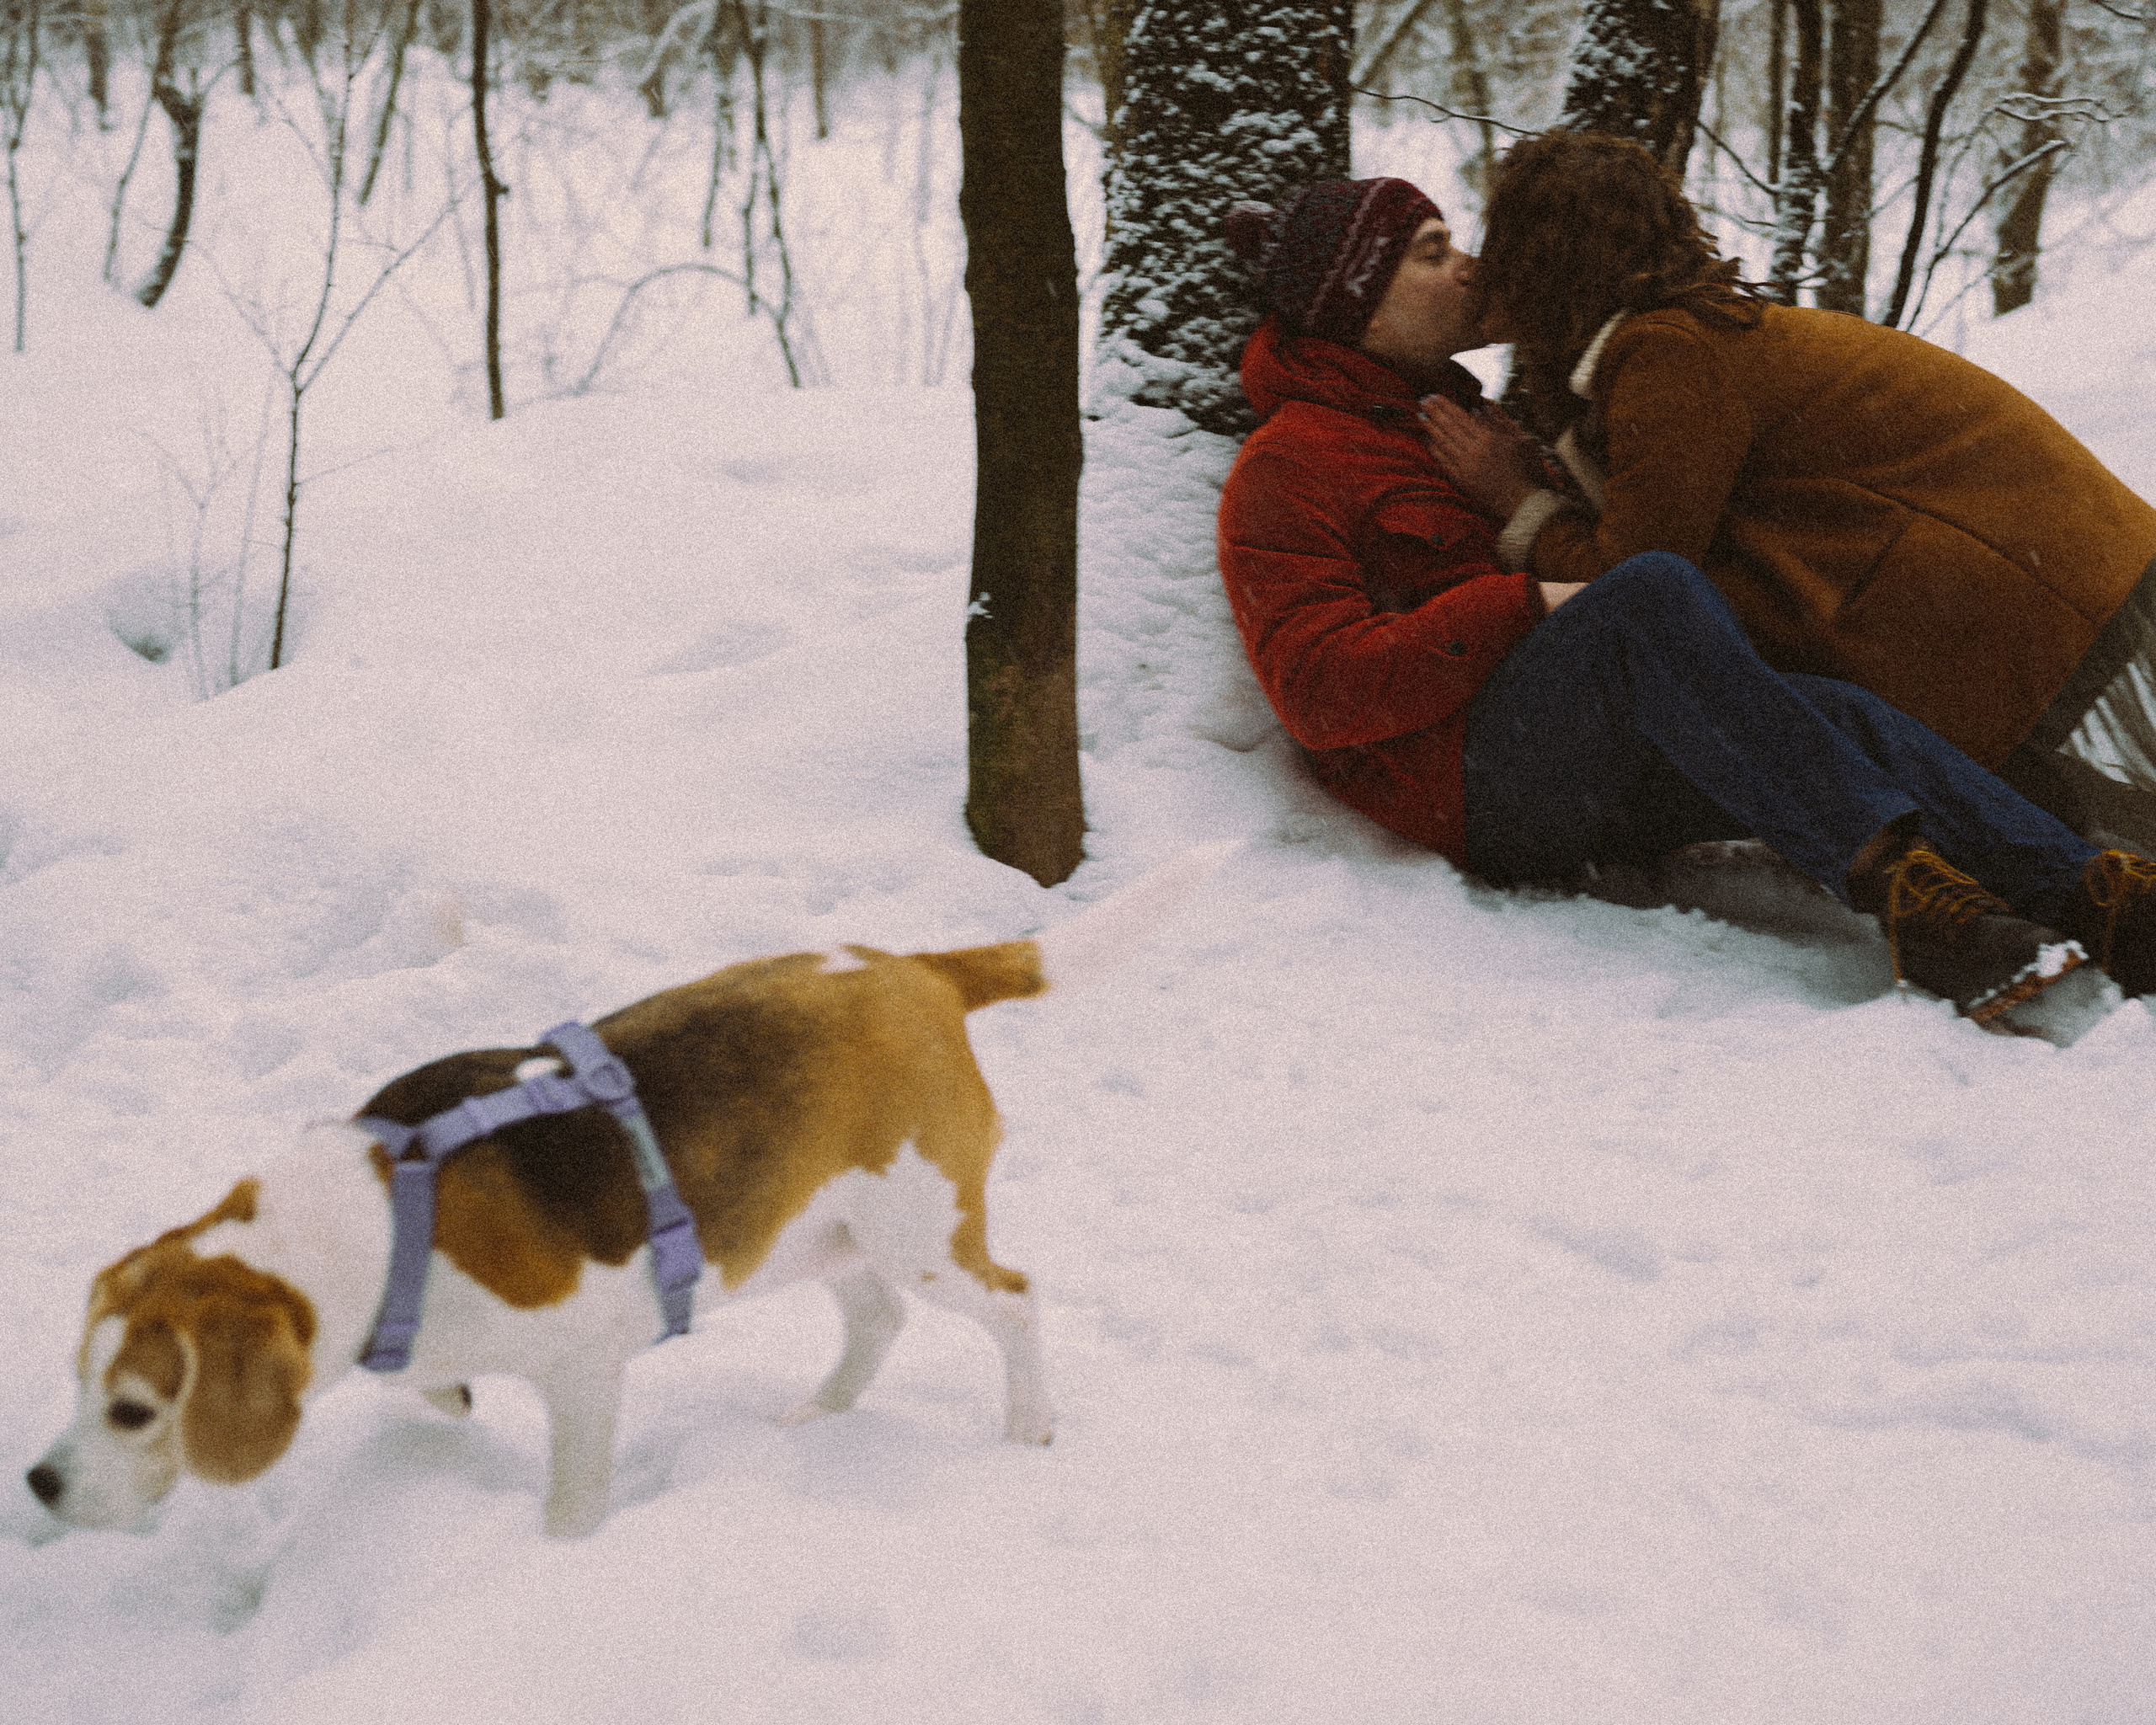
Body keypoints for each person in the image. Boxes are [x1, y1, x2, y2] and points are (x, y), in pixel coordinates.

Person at [1214, 175, 2156, 1027]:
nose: (1468, 268)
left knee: (1827, 710)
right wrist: (1525, 603)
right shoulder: (1290, 462)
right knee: (1653, 588)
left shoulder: (1469, 422)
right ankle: (1918, 905)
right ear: (1357, 311)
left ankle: (2100, 905)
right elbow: (1317, 689)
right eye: (1430, 253)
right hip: (1470, 787)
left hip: (1593, 758)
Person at [1421, 131, 2156, 851]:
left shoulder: (1666, 353)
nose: (1487, 268)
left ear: (1551, 260)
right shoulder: (1680, 334)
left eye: (1507, 244)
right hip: (2045, 555)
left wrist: (1518, 503)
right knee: (2022, 806)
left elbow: (1636, 579)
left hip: (2014, 573)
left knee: (2013, 812)